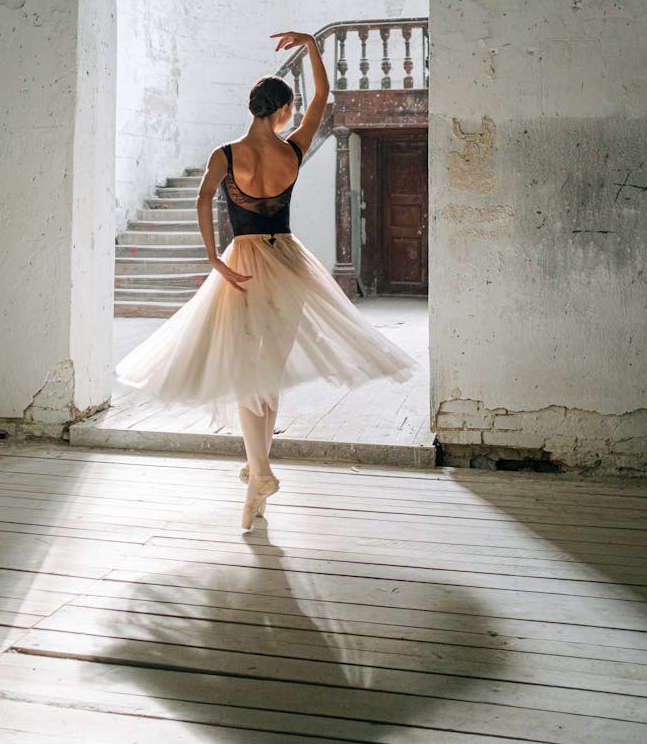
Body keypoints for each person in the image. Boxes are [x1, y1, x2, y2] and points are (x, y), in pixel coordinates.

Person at [116, 31, 420, 530]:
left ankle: (259, 471)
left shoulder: (225, 155)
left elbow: (203, 200)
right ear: (281, 112)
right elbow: (324, 98)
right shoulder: (293, 150)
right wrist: (311, 47)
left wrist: (215, 258)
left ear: (253, 107)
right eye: (290, 111)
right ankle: (258, 477)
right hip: (289, 264)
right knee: (268, 371)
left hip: (243, 263)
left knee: (245, 372)